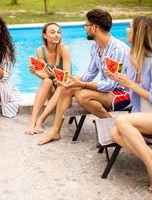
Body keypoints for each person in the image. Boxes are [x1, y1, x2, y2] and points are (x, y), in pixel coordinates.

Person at [37, 9, 131, 145]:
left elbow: (111, 84)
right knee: (66, 89)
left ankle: (118, 129)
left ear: (95, 28)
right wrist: (71, 81)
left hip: (124, 93)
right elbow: (89, 74)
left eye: (86, 25)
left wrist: (82, 85)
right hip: (109, 90)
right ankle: (55, 131)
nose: (85, 28)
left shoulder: (118, 50)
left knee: (83, 95)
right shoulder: (96, 47)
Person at [108, 16, 152, 193]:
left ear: (139, 33)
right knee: (114, 133)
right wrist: (115, 76)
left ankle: (151, 168)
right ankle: (151, 159)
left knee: (121, 122)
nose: (127, 30)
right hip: (143, 114)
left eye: (130, 27)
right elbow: (127, 84)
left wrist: (130, 84)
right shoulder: (132, 58)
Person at [24, 22, 71, 135]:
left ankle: (41, 120)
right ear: (45, 35)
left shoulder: (65, 49)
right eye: (52, 32)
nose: (56, 35)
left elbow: (67, 77)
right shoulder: (41, 51)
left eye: (58, 32)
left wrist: (57, 78)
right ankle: (33, 120)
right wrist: (35, 72)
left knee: (61, 86)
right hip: (51, 91)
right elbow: (45, 75)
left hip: (65, 91)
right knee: (46, 81)